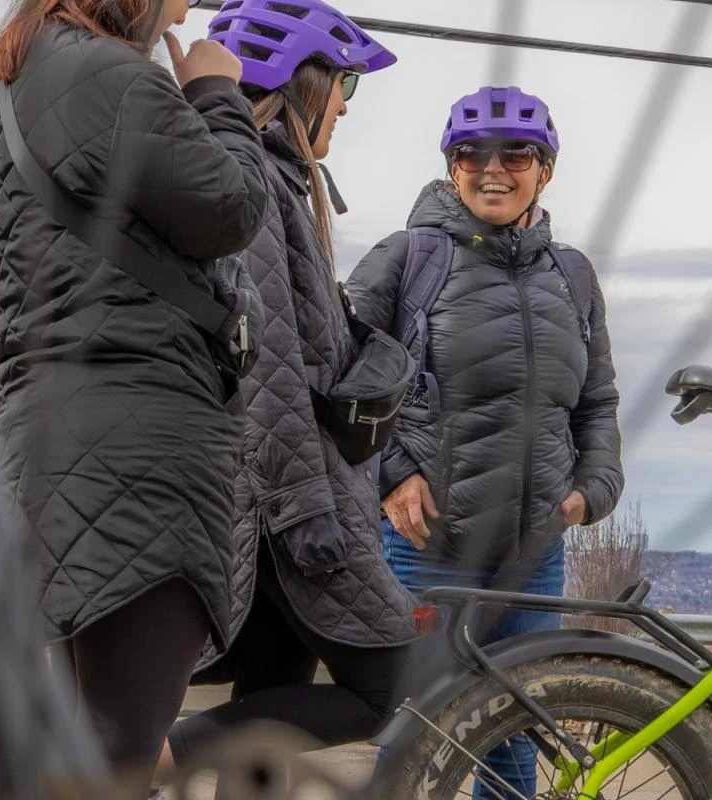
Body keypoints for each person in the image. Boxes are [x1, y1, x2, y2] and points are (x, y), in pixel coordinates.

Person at [0, 0, 270, 795]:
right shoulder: (114, 78)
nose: (189, 6)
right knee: (121, 759)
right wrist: (217, 95)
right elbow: (231, 209)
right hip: (141, 451)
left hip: (30, 443)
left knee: (74, 751)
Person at [147, 0, 418, 787]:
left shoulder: (266, 177)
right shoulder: (261, 184)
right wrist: (305, 513)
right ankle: (144, 761)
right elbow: (264, 375)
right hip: (285, 498)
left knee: (273, 687)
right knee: (385, 686)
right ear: (301, 84)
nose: (346, 107)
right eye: (344, 87)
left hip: (275, 492)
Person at [345, 85, 624, 798]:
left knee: (515, 734)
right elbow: (337, 376)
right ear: (453, 167)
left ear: (545, 170)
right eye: (473, 155)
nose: (493, 169)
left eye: (516, 154)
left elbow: (596, 402)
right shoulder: (408, 258)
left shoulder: (573, 275)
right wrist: (390, 475)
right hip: (429, 546)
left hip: (535, 553)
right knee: (414, 729)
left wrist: (592, 489)